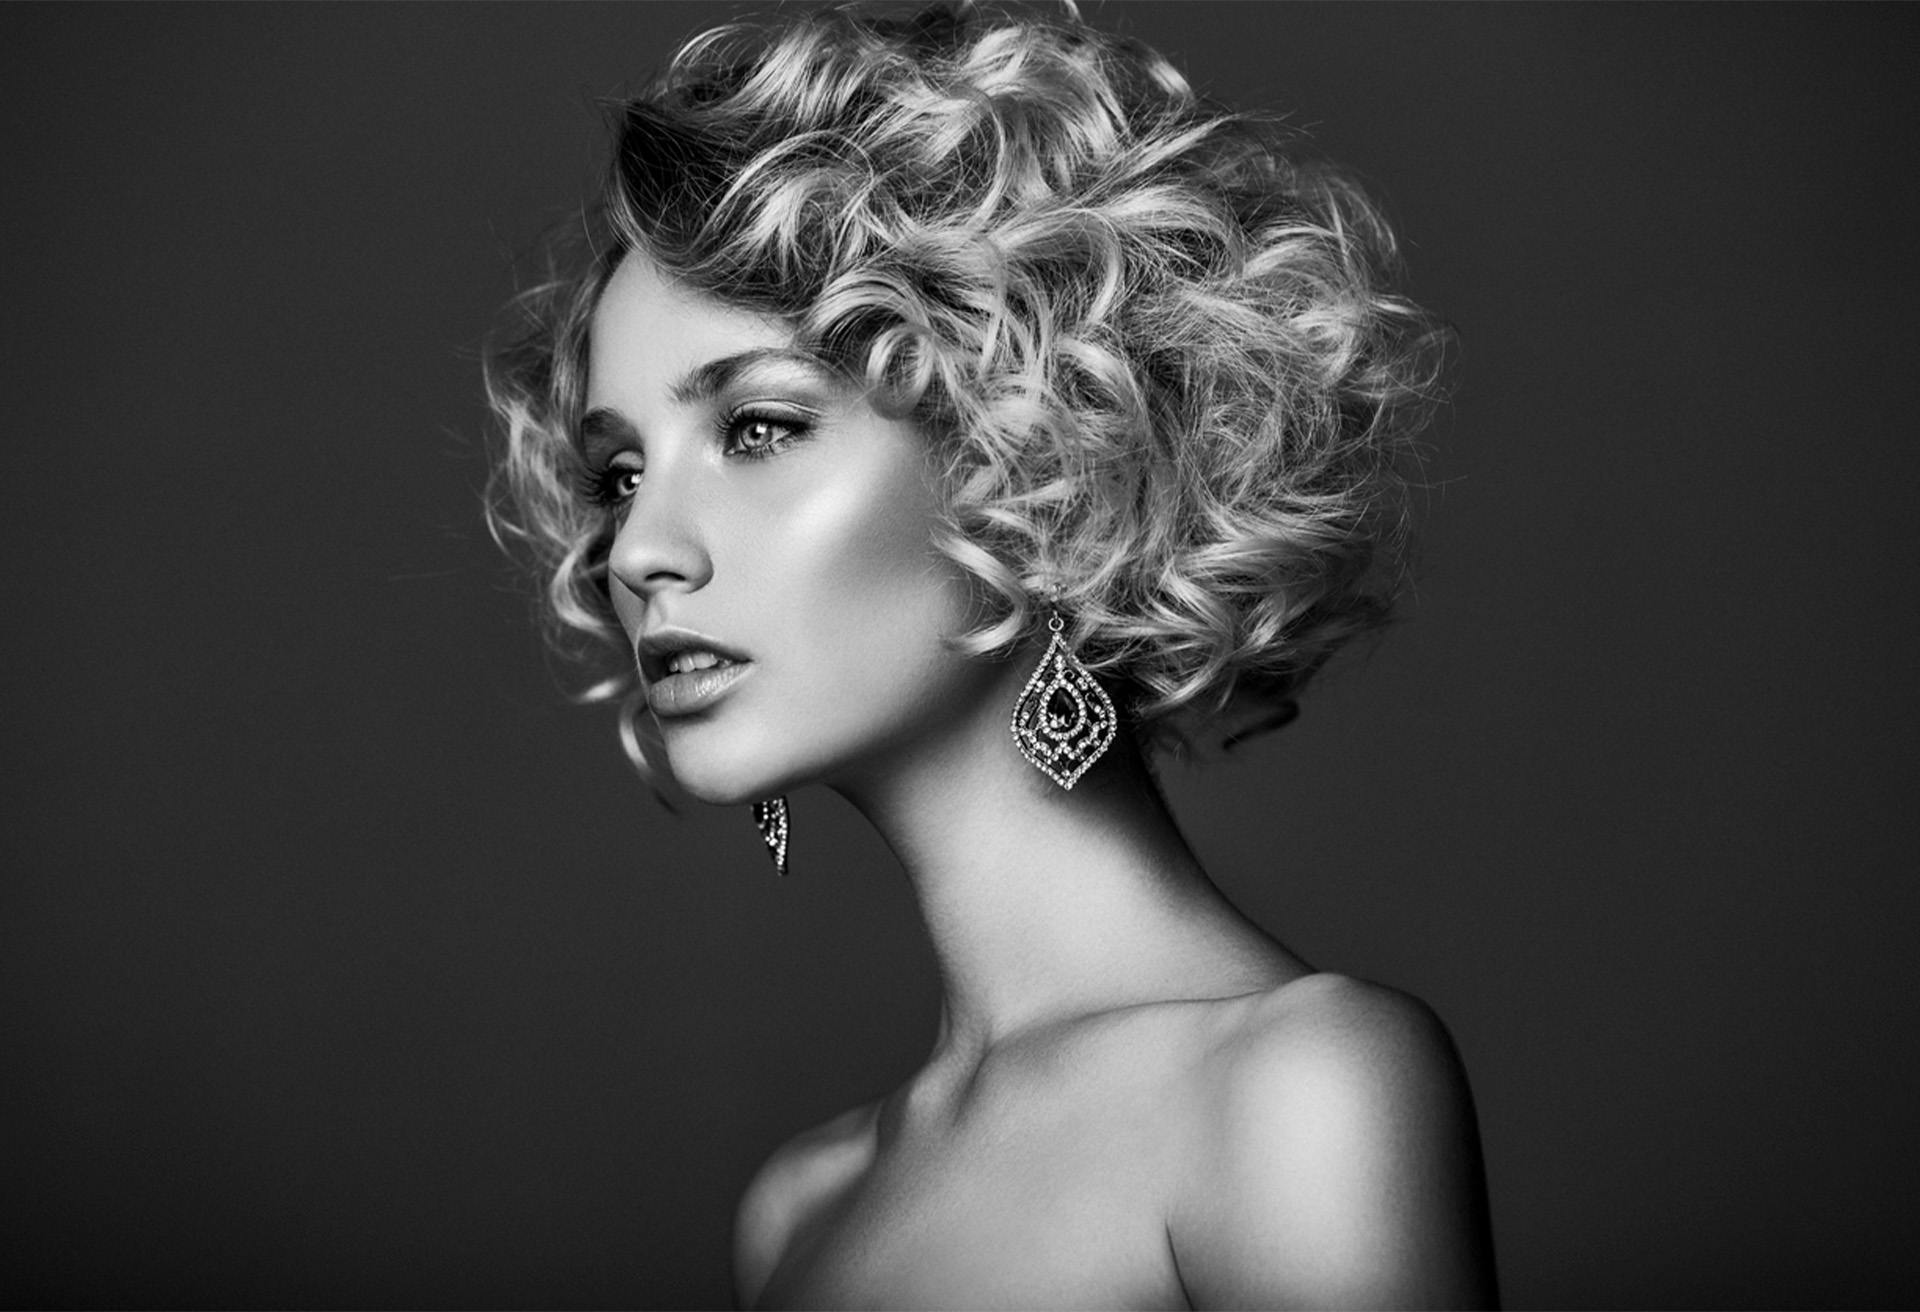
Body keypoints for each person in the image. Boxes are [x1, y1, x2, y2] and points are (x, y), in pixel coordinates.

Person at [486, 4, 1496, 1307]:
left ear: (1031, 457)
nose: (637, 551)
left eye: (754, 429)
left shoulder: (1298, 1093)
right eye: (620, 471)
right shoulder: (799, 1210)